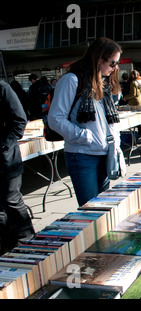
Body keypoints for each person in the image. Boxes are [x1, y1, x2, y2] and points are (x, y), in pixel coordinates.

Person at [48, 37, 122, 207]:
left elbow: (107, 121)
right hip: (82, 155)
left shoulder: (103, 83)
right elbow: (55, 118)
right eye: (112, 63)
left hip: (105, 154)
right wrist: (83, 136)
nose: (115, 68)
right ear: (99, 59)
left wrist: (114, 144)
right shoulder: (72, 80)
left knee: (104, 208)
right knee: (90, 209)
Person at [0, 81, 35, 254]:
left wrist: (3, 145)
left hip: (6, 160)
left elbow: (19, 120)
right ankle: (7, 245)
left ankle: (28, 241)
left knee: (11, 199)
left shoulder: (2, 88)